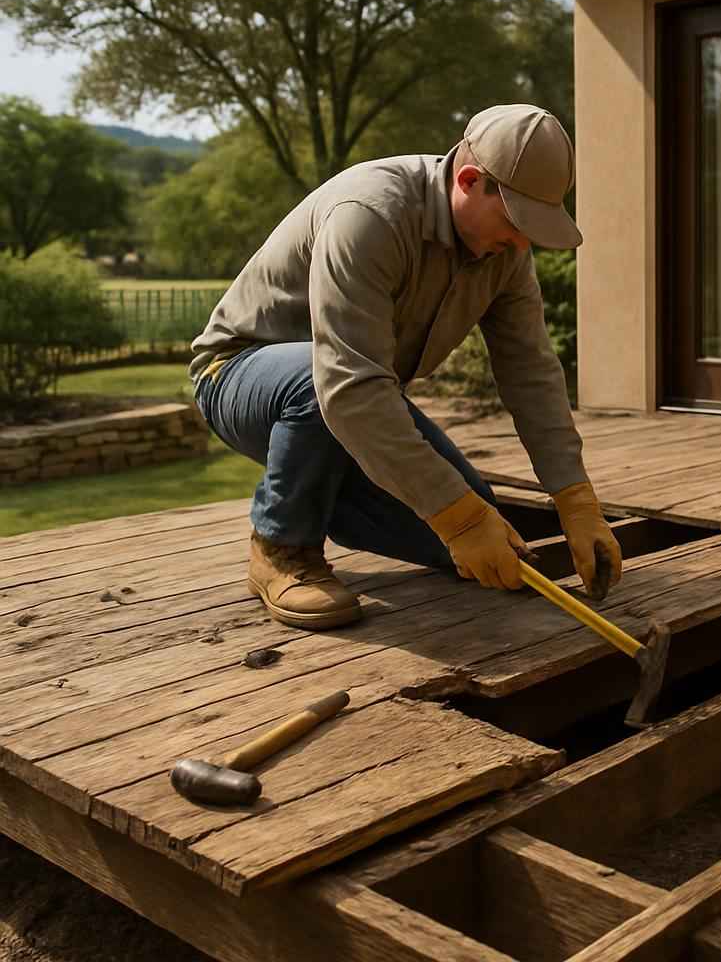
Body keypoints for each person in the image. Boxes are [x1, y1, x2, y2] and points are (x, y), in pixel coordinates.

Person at [189, 104, 621, 631]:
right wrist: (456, 517)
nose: (522, 240)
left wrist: (575, 498)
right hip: (240, 376)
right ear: (469, 181)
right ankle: (282, 547)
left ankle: (324, 490)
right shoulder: (369, 214)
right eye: (516, 220)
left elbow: (531, 372)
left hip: (355, 399)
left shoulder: (505, 253)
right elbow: (348, 386)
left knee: (480, 544)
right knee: (330, 394)